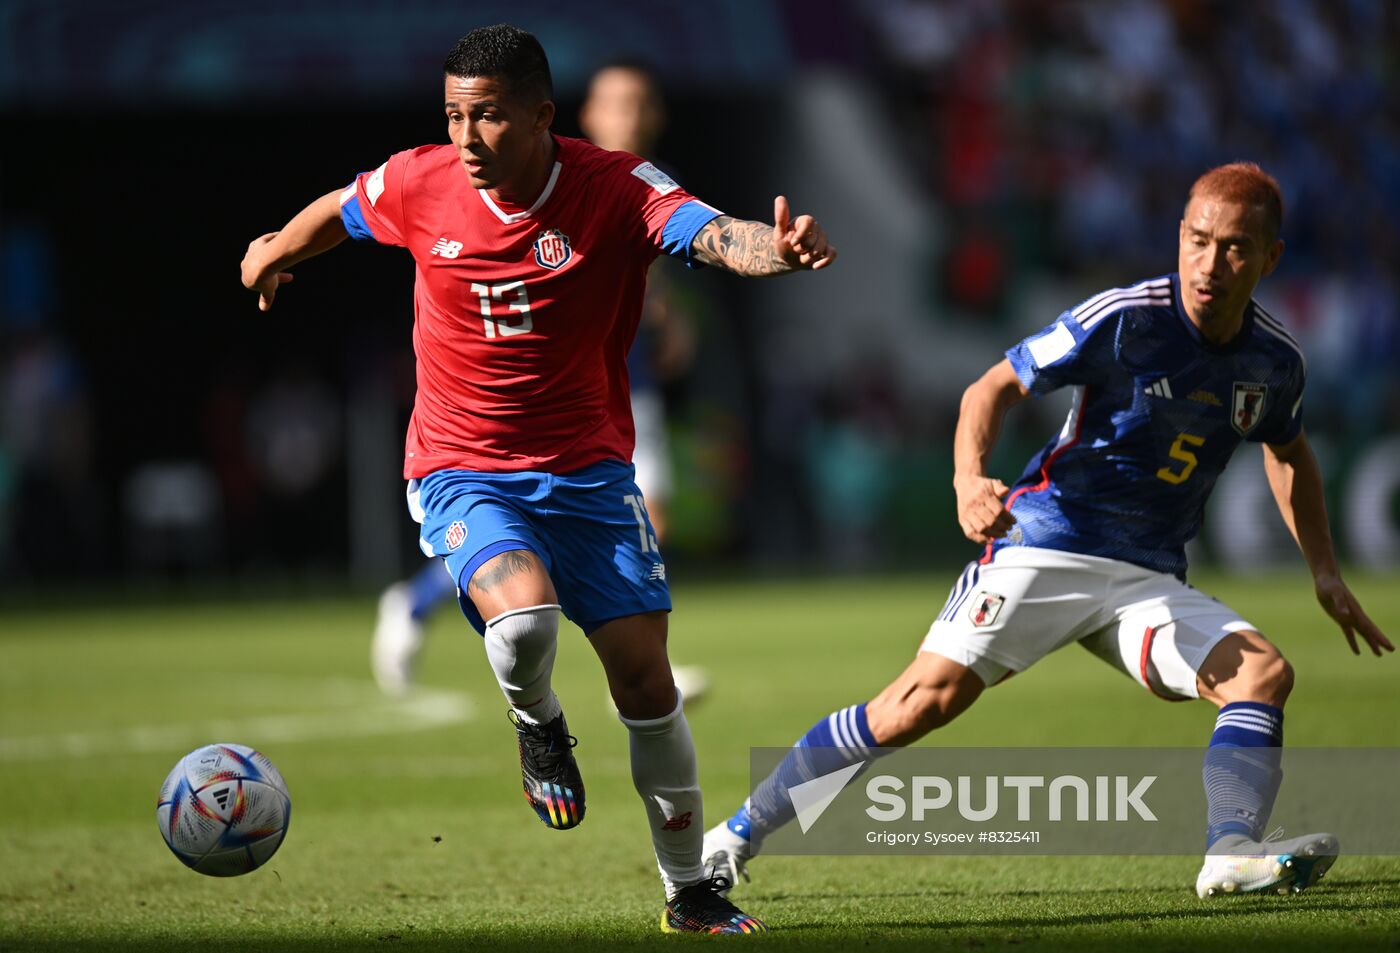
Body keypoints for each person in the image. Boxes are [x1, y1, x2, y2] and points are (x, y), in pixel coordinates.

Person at [240, 24, 834, 934]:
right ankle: (541, 724)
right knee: (522, 622)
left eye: (488, 118)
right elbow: (343, 208)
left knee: (647, 685)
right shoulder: (422, 180)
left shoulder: (614, 188)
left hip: (592, 475)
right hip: (459, 464)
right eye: (453, 117)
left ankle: (689, 891)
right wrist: (280, 243)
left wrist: (776, 250)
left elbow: (712, 234)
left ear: (542, 117)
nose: (467, 138)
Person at [701, 162, 1391, 900]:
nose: (1210, 264)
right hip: (1050, 543)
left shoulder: (1275, 360)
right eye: (1198, 240)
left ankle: (1229, 850)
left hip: (1149, 578)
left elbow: (1289, 453)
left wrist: (1323, 569)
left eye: (1234, 248)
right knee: (917, 704)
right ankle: (735, 834)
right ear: (1179, 236)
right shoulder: (1127, 317)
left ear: (1269, 257)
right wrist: (969, 479)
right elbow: (991, 386)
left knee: (1263, 673)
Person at [370, 59, 701, 702]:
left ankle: (636, 668)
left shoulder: (647, 185)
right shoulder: (547, 179)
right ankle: (420, 600)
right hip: (538, 402)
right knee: (547, 538)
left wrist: (676, 319)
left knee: (647, 518)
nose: (628, 116)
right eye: (615, 104)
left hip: (622, 387)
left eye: (640, 103)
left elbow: (658, 267)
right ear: (588, 114)